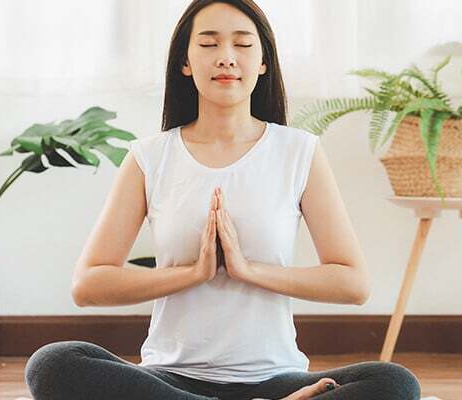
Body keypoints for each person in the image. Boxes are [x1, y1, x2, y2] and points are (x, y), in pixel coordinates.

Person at [25, 1, 421, 399]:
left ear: (264, 62)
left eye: (243, 45)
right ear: (185, 61)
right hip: (170, 378)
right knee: (54, 363)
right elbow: (88, 284)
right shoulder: (150, 157)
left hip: (275, 380)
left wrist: (247, 269)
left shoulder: (298, 151)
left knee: (394, 384)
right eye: (209, 44)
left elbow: (353, 283)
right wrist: (192, 273)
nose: (227, 57)